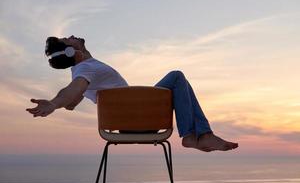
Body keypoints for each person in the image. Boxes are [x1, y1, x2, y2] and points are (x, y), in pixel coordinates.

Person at [26, 35, 238, 152]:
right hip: (141, 120)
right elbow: (71, 92)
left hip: (128, 123)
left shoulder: (82, 70)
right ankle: (196, 136)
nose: (71, 36)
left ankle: (198, 136)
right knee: (176, 77)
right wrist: (54, 104)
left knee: (179, 79)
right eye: (67, 39)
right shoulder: (84, 70)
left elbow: (72, 99)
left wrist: (70, 99)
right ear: (71, 51)